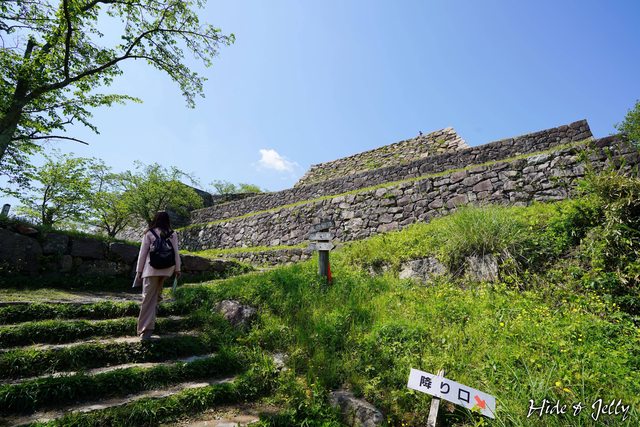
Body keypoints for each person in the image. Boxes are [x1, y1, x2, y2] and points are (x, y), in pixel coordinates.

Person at [135, 211, 181, 340]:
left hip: (151, 270)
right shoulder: (172, 234)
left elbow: (142, 254)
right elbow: (176, 252)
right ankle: (151, 319)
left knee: (148, 299)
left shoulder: (149, 233)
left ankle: (146, 330)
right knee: (155, 296)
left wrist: (139, 271)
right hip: (167, 269)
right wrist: (178, 269)